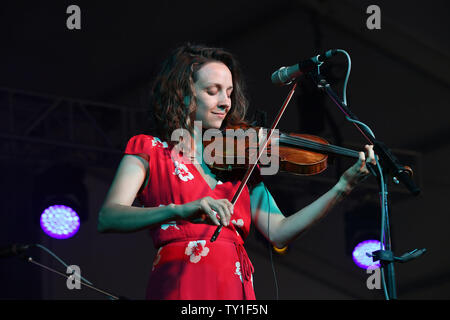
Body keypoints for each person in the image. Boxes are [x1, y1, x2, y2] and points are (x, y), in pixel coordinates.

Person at [97, 43, 376, 300]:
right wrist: (180, 210)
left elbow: (279, 230)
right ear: (183, 94)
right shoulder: (150, 149)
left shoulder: (241, 164)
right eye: (212, 91)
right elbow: (109, 216)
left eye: (229, 92)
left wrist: (342, 187)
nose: (225, 102)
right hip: (180, 283)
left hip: (234, 287)